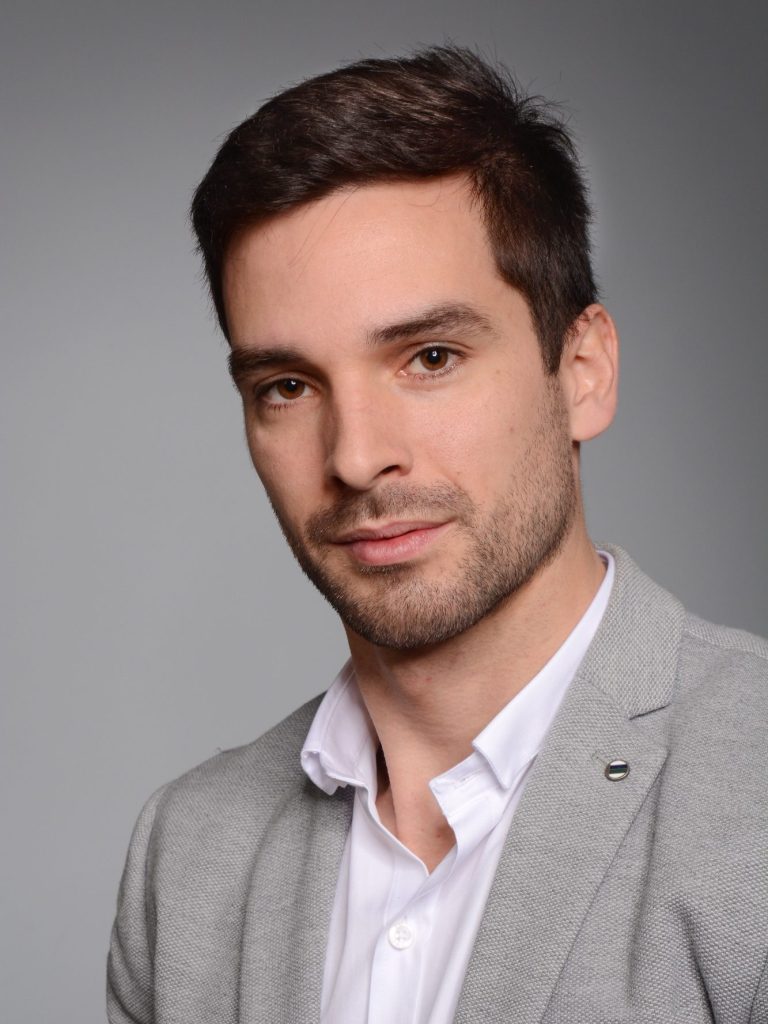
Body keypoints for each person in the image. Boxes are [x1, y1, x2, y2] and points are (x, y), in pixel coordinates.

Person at [107, 47, 768, 1023]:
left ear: (582, 371)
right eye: (287, 385)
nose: (356, 456)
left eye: (429, 357)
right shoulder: (190, 854)